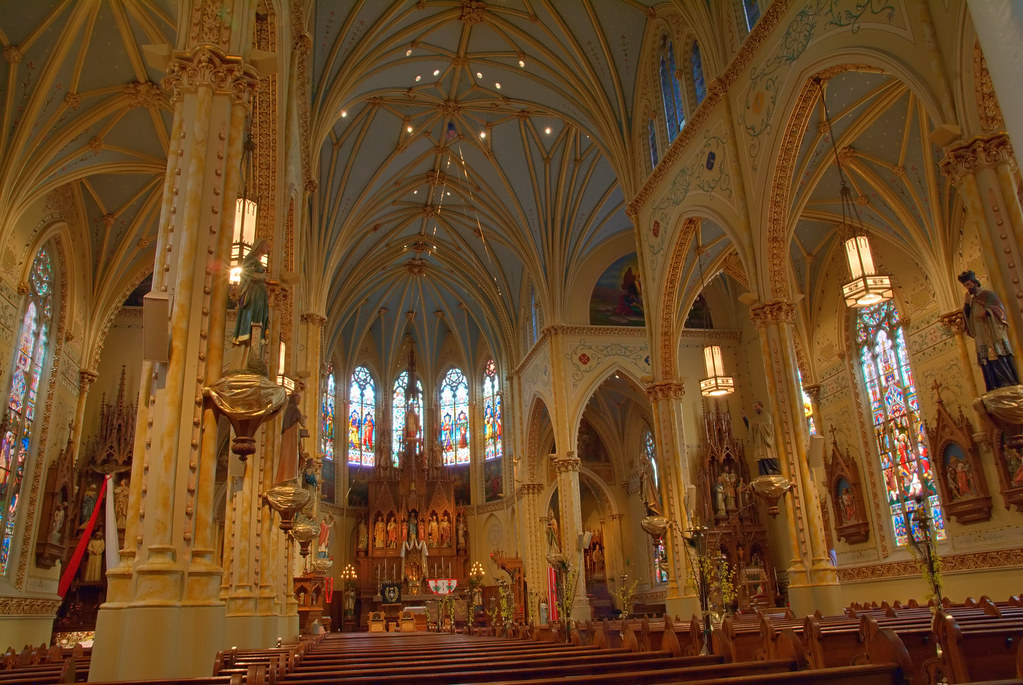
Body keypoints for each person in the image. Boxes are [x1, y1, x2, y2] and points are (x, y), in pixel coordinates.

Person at [959, 270, 1019, 391]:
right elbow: (967, 318)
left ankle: (1007, 383)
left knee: (998, 357)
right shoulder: (971, 301)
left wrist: (986, 312)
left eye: (968, 285)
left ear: (975, 283)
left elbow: (999, 308)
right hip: (981, 337)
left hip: (992, 335)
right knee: (986, 361)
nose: (967, 288)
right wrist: (966, 304)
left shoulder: (988, 295)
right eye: (965, 286)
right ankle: (993, 386)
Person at [233, 239, 271, 347]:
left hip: (260, 294)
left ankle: (256, 338)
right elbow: (246, 274)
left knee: (259, 319)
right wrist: (262, 276)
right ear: (260, 246)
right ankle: (249, 336)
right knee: (253, 317)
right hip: (253, 293)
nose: (268, 249)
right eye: (266, 246)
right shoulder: (250, 258)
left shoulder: (258, 261)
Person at [744, 401, 781, 475]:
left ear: (761, 406)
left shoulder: (767, 415)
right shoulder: (757, 417)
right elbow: (750, 427)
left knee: (769, 458)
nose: (755, 409)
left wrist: (760, 425)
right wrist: (744, 418)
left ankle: (773, 472)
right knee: (761, 460)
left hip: (766, 441)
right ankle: (764, 474)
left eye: (756, 406)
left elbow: (769, 425)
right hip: (760, 443)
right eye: (754, 407)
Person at [277, 391, 306, 484]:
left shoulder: (289, 409)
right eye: (298, 398)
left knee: (292, 455)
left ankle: (289, 476)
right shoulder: (294, 409)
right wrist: (304, 417)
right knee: (291, 455)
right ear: (293, 399)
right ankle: (289, 476)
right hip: (291, 437)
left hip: (291, 436)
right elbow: (302, 422)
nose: (299, 401)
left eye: (300, 399)